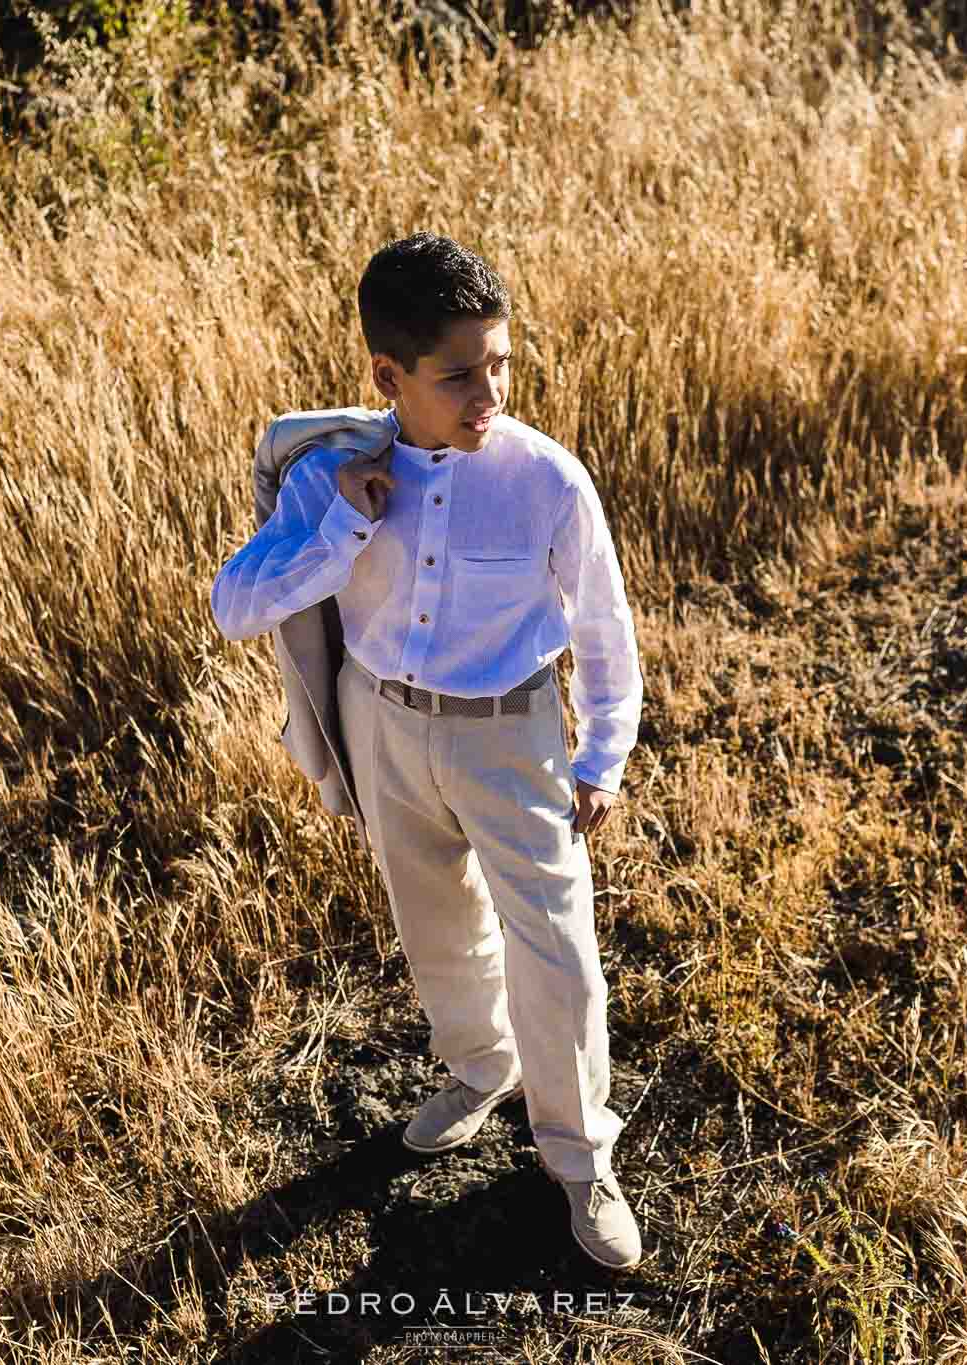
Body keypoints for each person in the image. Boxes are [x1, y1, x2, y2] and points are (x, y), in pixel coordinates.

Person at [211, 232, 644, 1270]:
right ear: (387, 375)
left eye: (499, 362)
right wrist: (343, 532)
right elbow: (238, 607)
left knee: (558, 953)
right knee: (437, 925)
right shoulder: (331, 480)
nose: (486, 391)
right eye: (457, 375)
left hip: (514, 738)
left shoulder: (546, 481)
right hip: (386, 726)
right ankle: (478, 1066)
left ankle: (580, 1158)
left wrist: (602, 762)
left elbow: (602, 628)